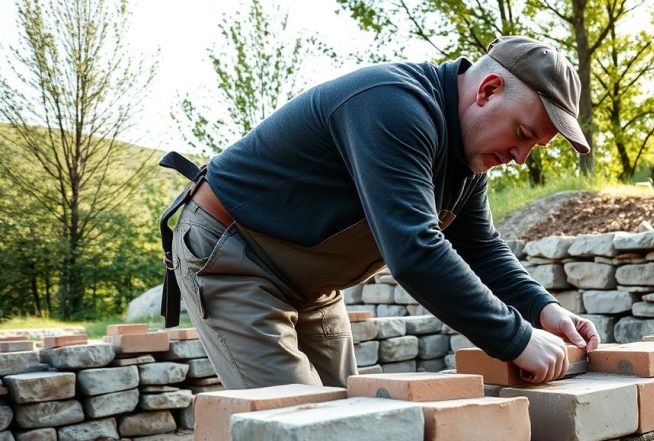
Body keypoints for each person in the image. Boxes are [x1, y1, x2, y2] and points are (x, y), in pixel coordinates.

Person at [157, 36, 600, 390]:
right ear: (487, 90)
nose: (521, 157)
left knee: (352, 420)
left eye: (533, 146)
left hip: (314, 286)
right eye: (522, 134)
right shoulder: (395, 106)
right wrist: (516, 338)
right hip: (235, 258)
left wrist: (544, 311)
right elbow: (414, 250)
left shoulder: (468, 162)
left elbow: (482, 250)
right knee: (296, 432)